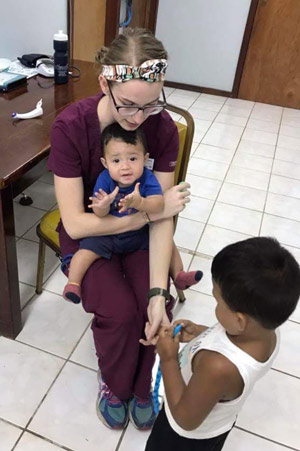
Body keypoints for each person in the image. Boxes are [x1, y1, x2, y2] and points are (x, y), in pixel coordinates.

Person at [48, 27, 193, 431]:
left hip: (140, 235)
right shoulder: (69, 127)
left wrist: (157, 292)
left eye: (151, 106)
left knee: (154, 310)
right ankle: (114, 385)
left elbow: (163, 216)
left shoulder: (160, 129)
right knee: (118, 312)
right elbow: (76, 222)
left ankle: (143, 385)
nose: (137, 120)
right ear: (103, 84)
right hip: (89, 238)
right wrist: (151, 213)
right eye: (127, 105)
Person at [146, 237, 300, 451]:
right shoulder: (266, 330)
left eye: (218, 301)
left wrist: (168, 358)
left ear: (239, 321)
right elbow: (228, 339)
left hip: (183, 439)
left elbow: (185, 419)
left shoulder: (218, 367)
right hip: (217, 425)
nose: (215, 303)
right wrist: (200, 332)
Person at [63, 123, 202, 304]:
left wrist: (141, 203)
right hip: (108, 234)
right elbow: (99, 214)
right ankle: (73, 284)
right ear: (105, 163)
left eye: (132, 159)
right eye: (116, 161)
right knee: (84, 253)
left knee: (168, 243)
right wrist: (102, 205)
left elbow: (159, 204)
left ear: (144, 159)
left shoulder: (146, 177)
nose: (125, 167)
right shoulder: (104, 179)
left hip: (139, 232)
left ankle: (179, 275)